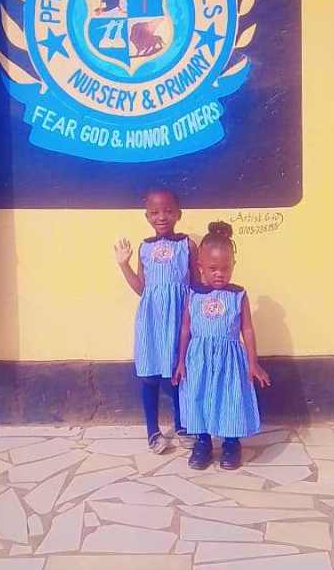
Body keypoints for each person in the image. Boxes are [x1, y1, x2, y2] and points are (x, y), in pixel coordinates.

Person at [172, 221, 271, 471]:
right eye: (213, 268)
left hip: (230, 360)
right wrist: (181, 361)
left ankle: (231, 443)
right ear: (200, 266)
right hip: (198, 359)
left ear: (234, 265)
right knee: (198, 397)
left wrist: (253, 363)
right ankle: (203, 442)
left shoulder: (238, 295)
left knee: (230, 398)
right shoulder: (193, 294)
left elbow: (247, 330)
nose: (219, 274)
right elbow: (185, 329)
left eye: (225, 268)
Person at [114, 187, 198, 454]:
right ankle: (153, 431)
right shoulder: (145, 248)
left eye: (168, 211)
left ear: (179, 214)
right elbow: (142, 288)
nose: (161, 217)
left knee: (179, 373)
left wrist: (195, 318)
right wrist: (124, 265)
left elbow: (196, 284)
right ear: (147, 216)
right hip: (151, 320)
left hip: (179, 319)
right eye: (154, 212)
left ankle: (183, 425)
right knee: (149, 375)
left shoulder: (187, 245)